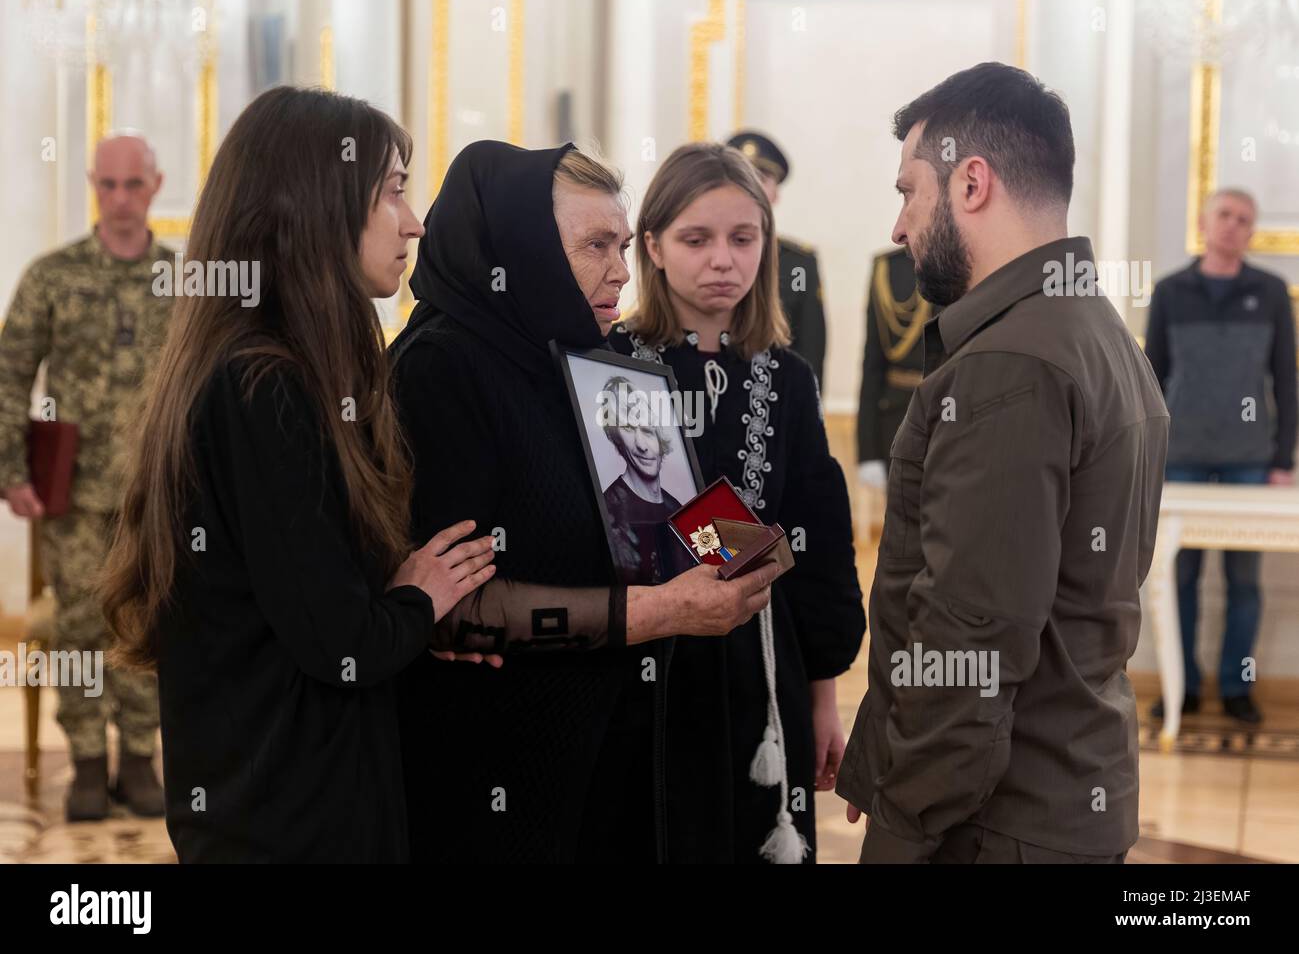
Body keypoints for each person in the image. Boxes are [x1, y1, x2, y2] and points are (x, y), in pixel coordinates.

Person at [100, 86, 498, 862]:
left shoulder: (273, 369)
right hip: (287, 820)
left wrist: (411, 617)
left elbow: (319, 600)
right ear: (317, 204)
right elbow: (339, 638)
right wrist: (421, 598)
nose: (414, 221)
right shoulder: (266, 386)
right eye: (393, 193)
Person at [390, 140, 779, 864]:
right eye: (595, 245)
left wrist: (748, 547)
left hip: (614, 746)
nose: (620, 271)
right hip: (500, 767)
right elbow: (456, 612)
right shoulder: (441, 369)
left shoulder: (593, 355)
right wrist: (667, 610)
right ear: (523, 248)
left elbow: (662, 507)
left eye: (624, 244)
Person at [836, 62, 1169, 863]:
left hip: (993, 825)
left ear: (971, 182)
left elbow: (972, 639)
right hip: (1067, 797)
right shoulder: (1097, 334)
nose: (900, 225)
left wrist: (904, 812)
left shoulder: (1009, 363)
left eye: (909, 191)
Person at [608, 142, 865, 863]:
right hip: (647, 663)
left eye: (743, 239)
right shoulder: (611, 365)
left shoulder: (787, 378)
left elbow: (821, 541)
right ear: (652, 246)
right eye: (697, 239)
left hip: (763, 665)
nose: (723, 259)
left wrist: (822, 700)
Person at [0, 133, 173, 821]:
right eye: (107, 185)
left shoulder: (180, 280)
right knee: (76, 631)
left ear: (155, 187)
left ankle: (138, 760)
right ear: (92, 187)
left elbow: (205, 387)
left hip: (152, 497)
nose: (120, 198)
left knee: (148, 624)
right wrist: (11, 471)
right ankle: (87, 766)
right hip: (70, 495)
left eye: (133, 184)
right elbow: (10, 377)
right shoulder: (52, 275)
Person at [1144, 188, 1297, 725]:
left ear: (1251, 232)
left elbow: (1286, 380)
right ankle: (1180, 686)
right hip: (1180, 456)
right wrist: (1148, 453)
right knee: (1179, 577)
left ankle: (1237, 685)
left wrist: (1282, 459)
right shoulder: (1169, 292)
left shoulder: (1272, 292)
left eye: (1245, 220)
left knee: (1244, 581)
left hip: (1250, 460)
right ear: (1205, 223)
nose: (1234, 226)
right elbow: (1150, 379)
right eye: (1225, 216)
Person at [727, 131, 828, 388]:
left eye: (761, 178)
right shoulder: (697, 255)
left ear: (775, 194)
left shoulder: (799, 264)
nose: (750, 187)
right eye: (740, 176)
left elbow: (811, 355)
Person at [598, 375, 686, 584]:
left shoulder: (676, 508)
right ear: (615, 436)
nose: (642, 445)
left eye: (647, 430)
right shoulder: (611, 510)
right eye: (628, 428)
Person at [856, 246, 930, 491]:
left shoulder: (973, 257)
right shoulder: (889, 268)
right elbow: (872, 363)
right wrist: (867, 450)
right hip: (897, 420)